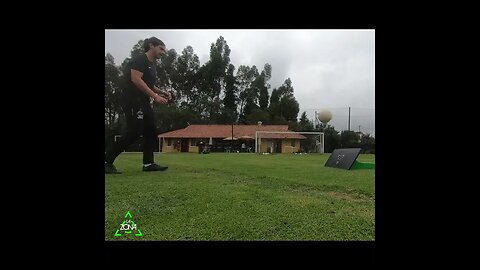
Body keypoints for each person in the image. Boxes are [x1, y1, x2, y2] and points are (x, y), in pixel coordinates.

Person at [105, 37, 171, 174]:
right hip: (132, 100)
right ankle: (107, 161)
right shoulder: (139, 59)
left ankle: (148, 163)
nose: (163, 52)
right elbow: (136, 79)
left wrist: (162, 92)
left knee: (151, 131)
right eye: (161, 48)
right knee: (134, 131)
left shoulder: (152, 65)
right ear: (151, 45)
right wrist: (155, 96)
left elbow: (149, 85)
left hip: (144, 101)